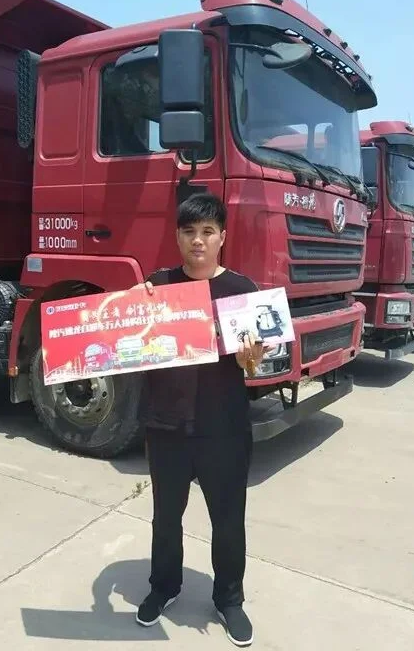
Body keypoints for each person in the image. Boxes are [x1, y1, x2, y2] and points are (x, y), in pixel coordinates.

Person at [134, 192, 267, 647]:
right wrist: (130, 305)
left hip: (223, 428)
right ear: (177, 236)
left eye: (208, 232)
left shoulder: (242, 292)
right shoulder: (158, 287)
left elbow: (255, 366)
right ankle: (163, 586)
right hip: (166, 425)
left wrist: (250, 359)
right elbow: (127, 334)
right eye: (189, 231)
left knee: (228, 519)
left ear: (222, 237)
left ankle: (229, 598)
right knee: (165, 518)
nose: (198, 240)